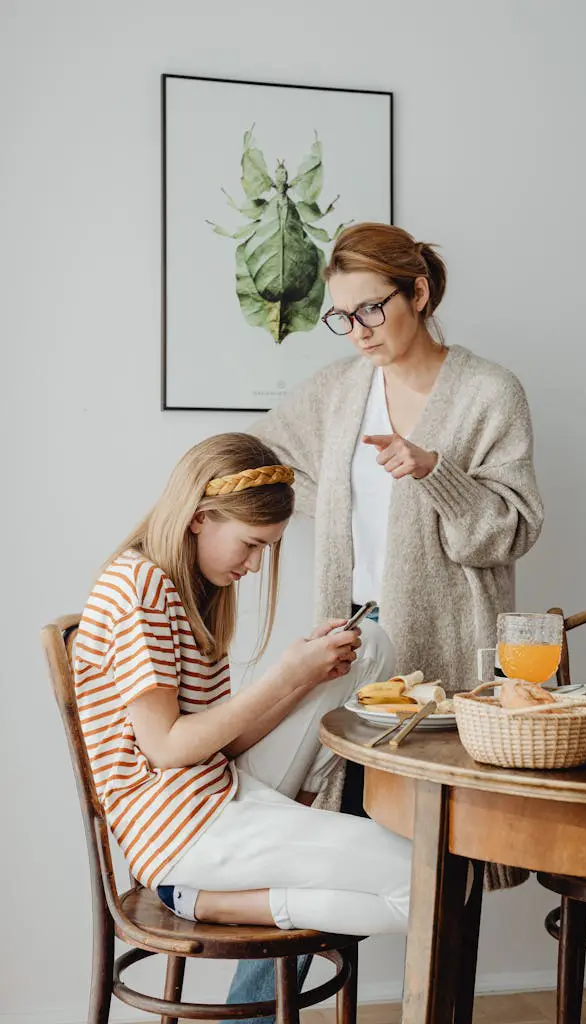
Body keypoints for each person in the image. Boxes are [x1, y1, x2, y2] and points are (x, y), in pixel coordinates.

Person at [227, 222, 544, 1014]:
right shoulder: (338, 391)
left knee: (439, 852)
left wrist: (436, 472)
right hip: (349, 653)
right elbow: (255, 454)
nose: (357, 331)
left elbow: (508, 532)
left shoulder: (486, 392)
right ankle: (251, 1012)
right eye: (341, 316)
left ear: (420, 294)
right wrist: (202, 511)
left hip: (444, 660)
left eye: (370, 310)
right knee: (314, 835)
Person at [72, 432, 411, 935]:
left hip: (215, 787)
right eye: (251, 544)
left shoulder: (189, 588)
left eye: (266, 549)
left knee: (370, 644)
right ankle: (209, 901)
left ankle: (284, 824)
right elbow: (165, 748)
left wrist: (305, 680)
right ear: (199, 516)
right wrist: (285, 676)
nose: (254, 565)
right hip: (178, 828)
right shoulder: (138, 587)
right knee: (425, 877)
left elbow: (220, 744)